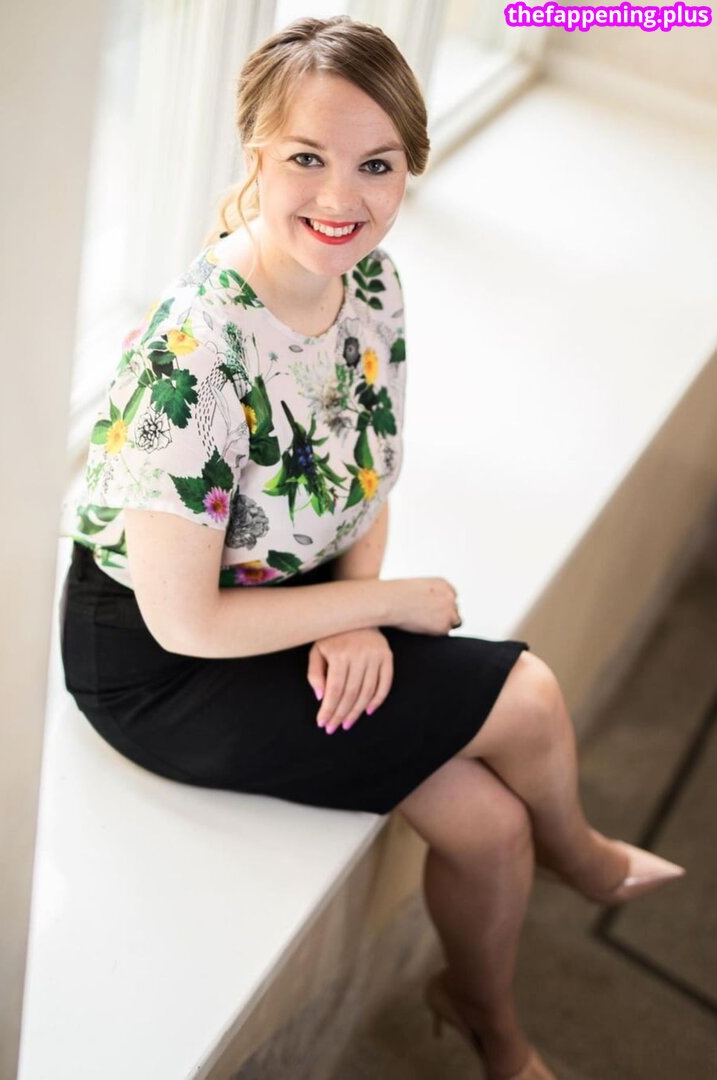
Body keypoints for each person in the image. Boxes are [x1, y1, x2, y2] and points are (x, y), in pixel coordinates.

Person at [59, 15, 686, 1080]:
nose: (341, 198)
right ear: (256, 152)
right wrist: (384, 604)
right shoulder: (194, 357)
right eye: (307, 158)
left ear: (407, 170)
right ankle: (582, 861)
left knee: (486, 827)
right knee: (527, 699)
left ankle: (488, 1027)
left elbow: (362, 480)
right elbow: (184, 619)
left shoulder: (372, 289)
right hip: (163, 663)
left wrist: (354, 607)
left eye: (376, 165)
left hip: (282, 590)